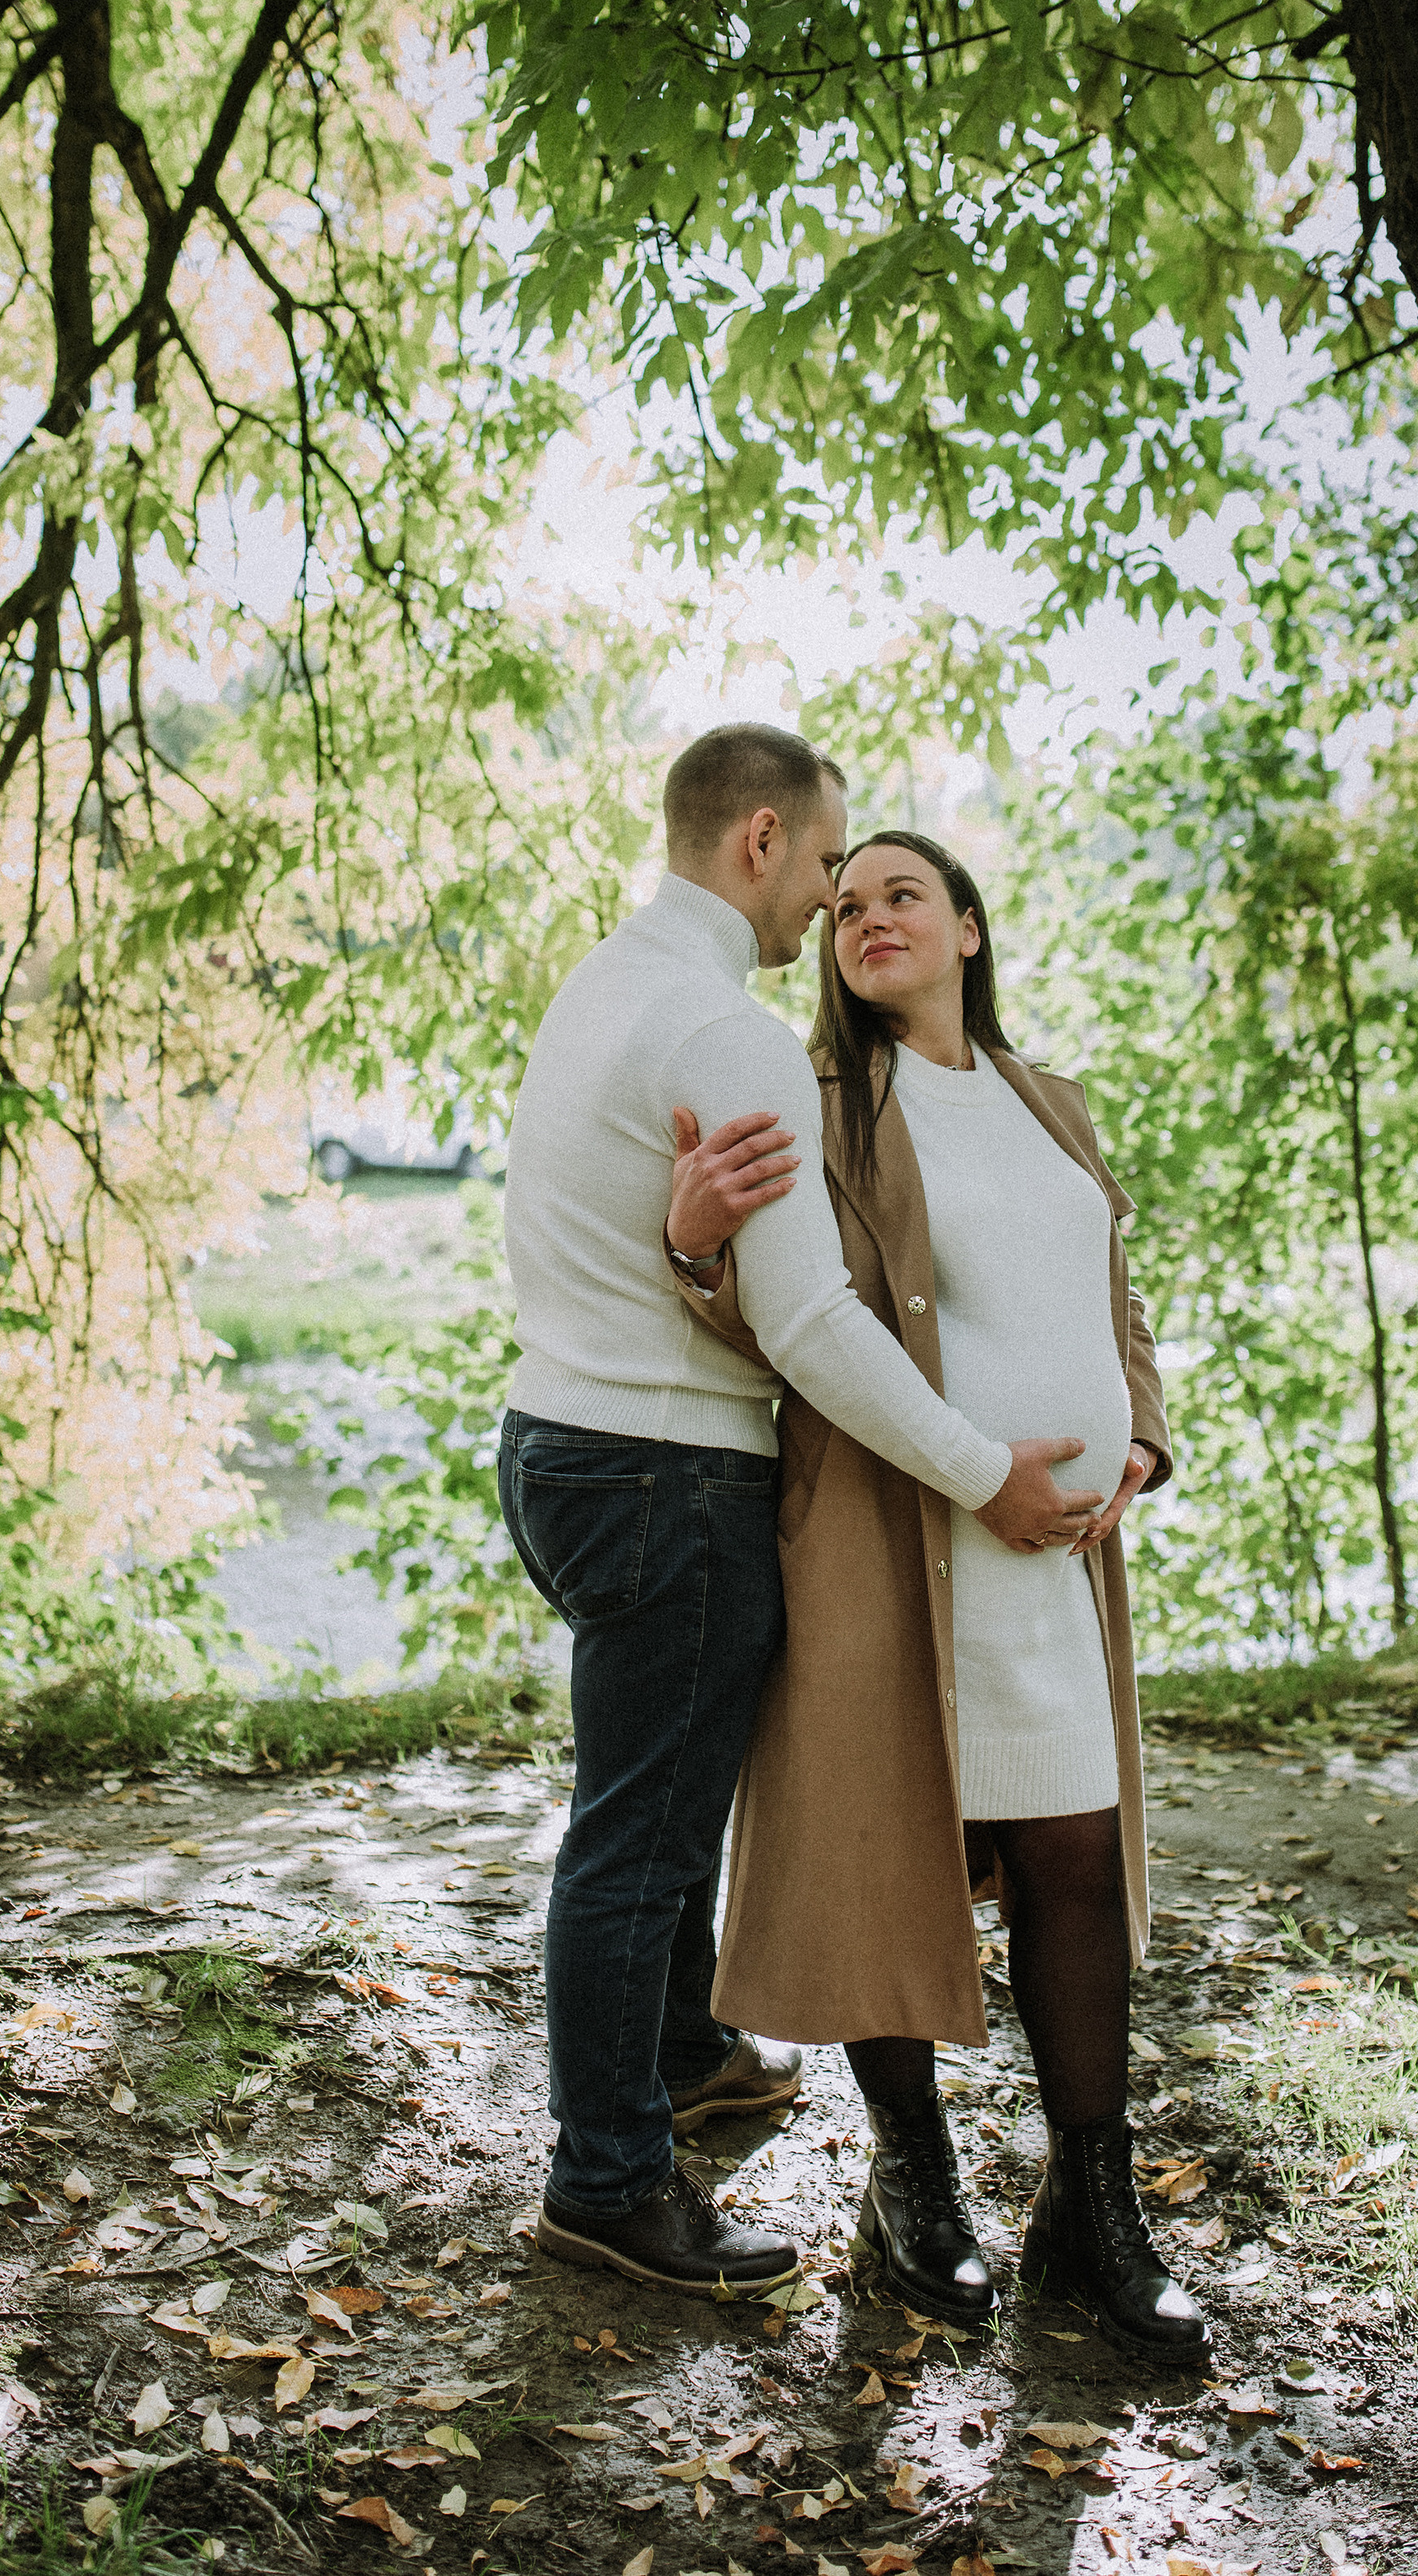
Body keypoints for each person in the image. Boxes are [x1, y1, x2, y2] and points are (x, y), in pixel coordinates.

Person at [498, 730, 1110, 2299]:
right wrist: (988, 1474)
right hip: (665, 1467)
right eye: (832, 869)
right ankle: (609, 2181)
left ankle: (691, 2055)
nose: (834, 902)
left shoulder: (608, 985)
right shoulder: (743, 1036)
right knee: (641, 1838)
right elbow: (824, 1327)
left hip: (569, 1442)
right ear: (763, 841)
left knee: (653, 1806)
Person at [662, 829, 1207, 2359]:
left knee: (1075, 1866)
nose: (864, 919)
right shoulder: (824, 1105)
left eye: (901, 895)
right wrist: (689, 1247)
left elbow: (1116, 1304)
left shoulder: (1053, 1104)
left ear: (970, 928)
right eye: (842, 906)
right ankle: (915, 2188)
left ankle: (1093, 2218)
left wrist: (1141, 1447)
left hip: (1062, 1556)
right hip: (893, 1547)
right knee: (888, 1860)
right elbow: (776, 1314)